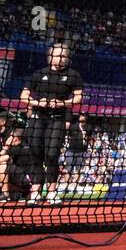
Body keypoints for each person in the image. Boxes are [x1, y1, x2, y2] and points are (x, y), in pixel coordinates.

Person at [20, 42, 84, 205]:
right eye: (58, 55)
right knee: (35, 153)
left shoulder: (73, 75)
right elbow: (24, 96)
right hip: (38, 118)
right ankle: (35, 192)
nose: (61, 58)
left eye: (64, 56)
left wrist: (62, 104)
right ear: (51, 56)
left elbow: (78, 98)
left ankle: (52, 192)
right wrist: (36, 103)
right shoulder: (38, 74)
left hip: (58, 118)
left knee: (52, 155)